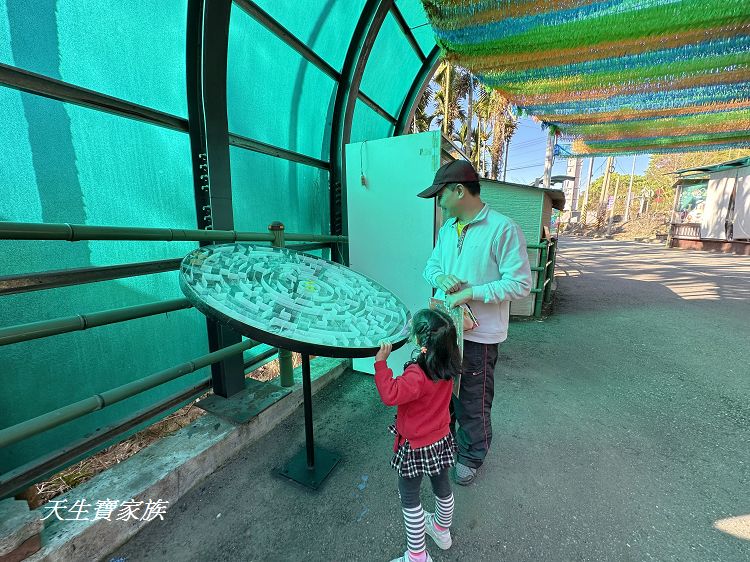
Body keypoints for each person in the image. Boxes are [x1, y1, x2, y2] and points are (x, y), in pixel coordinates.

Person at [418, 159, 532, 485]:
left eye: (441, 195)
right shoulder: (446, 229)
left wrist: (472, 292)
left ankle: (472, 454)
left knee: (473, 397)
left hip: (481, 336)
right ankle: (450, 441)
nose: (438, 202)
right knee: (443, 392)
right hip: (445, 329)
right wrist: (440, 275)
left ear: (458, 190)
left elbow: (520, 283)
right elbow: (431, 267)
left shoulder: (503, 229)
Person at [374, 308, 462, 562]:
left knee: (409, 496)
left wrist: (381, 363)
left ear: (421, 341)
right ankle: (441, 531)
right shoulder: (448, 363)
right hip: (441, 438)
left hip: (416, 445)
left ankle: (417, 556)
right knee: (441, 485)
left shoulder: (417, 373)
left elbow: (390, 394)